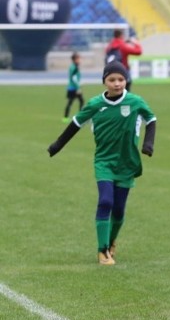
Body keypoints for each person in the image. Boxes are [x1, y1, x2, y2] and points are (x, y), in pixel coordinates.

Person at [47, 62, 157, 266]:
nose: (117, 84)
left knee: (119, 210)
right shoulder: (95, 104)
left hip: (127, 162)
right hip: (104, 161)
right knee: (106, 201)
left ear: (126, 80)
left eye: (121, 79)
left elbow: (151, 119)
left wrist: (148, 144)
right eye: (112, 80)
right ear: (104, 82)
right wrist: (57, 145)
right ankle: (102, 251)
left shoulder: (135, 101)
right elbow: (75, 124)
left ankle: (112, 241)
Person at [63, 51, 83, 123]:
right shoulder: (74, 67)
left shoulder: (73, 66)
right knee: (78, 101)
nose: (80, 60)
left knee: (73, 102)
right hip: (73, 88)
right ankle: (80, 117)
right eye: (78, 58)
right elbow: (74, 78)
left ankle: (65, 117)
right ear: (75, 59)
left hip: (72, 88)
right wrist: (78, 88)